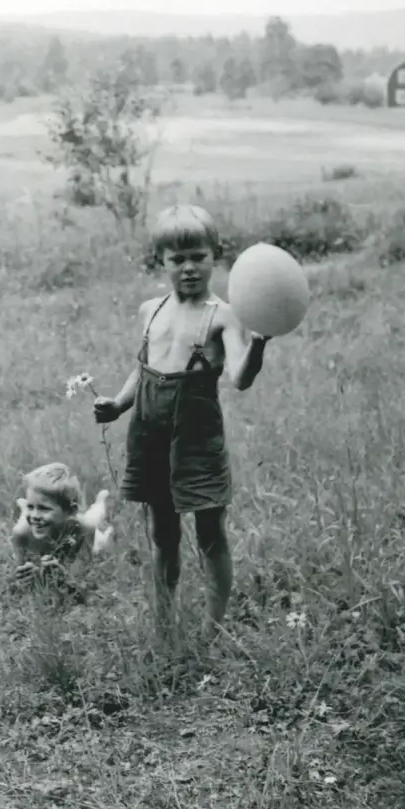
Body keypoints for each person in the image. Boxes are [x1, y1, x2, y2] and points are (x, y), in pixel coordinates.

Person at [92, 205, 270, 643]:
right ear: (161, 261)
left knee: (210, 533)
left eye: (198, 257)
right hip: (150, 435)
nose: (189, 268)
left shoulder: (223, 315)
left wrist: (259, 344)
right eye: (178, 259)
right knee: (163, 533)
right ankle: (164, 623)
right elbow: (143, 369)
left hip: (196, 438)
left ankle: (214, 629)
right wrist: (119, 404)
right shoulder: (151, 310)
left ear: (215, 256)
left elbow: (240, 378)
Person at [10, 463, 113, 582]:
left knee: (95, 525)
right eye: (31, 507)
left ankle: (100, 502)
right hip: (37, 524)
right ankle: (25, 506)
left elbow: (83, 570)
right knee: (28, 517)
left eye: (44, 508)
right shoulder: (21, 533)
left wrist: (64, 576)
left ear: (71, 511)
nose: (35, 516)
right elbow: (19, 571)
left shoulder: (84, 528)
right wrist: (28, 576)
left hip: (76, 523)